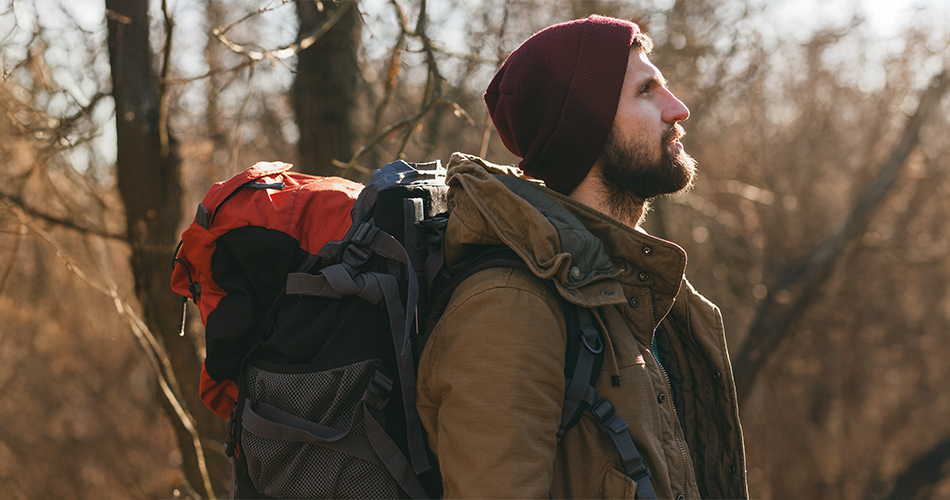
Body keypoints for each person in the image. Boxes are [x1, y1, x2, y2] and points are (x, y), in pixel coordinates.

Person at [415, 15, 749, 499]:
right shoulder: (509, 309)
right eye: (646, 91)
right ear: (585, 129)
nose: (678, 109)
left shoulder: (654, 296)